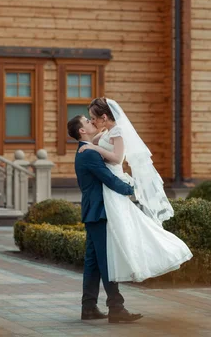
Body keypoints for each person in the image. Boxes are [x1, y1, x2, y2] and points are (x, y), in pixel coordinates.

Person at [80, 97, 193, 283]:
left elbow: (117, 158)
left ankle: (153, 256)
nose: (92, 120)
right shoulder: (106, 132)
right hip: (106, 184)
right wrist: (93, 138)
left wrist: (94, 148)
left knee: (126, 225)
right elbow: (95, 139)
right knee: (121, 227)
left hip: (113, 180)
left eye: (94, 117)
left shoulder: (118, 131)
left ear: (105, 116)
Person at [67, 115, 144, 324]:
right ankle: (116, 308)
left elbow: (106, 134)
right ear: (81, 131)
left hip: (94, 211)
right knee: (106, 260)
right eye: (87, 121)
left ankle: (89, 307)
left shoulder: (88, 148)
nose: (91, 122)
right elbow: (108, 179)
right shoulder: (88, 153)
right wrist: (131, 189)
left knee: (93, 262)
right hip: (100, 211)